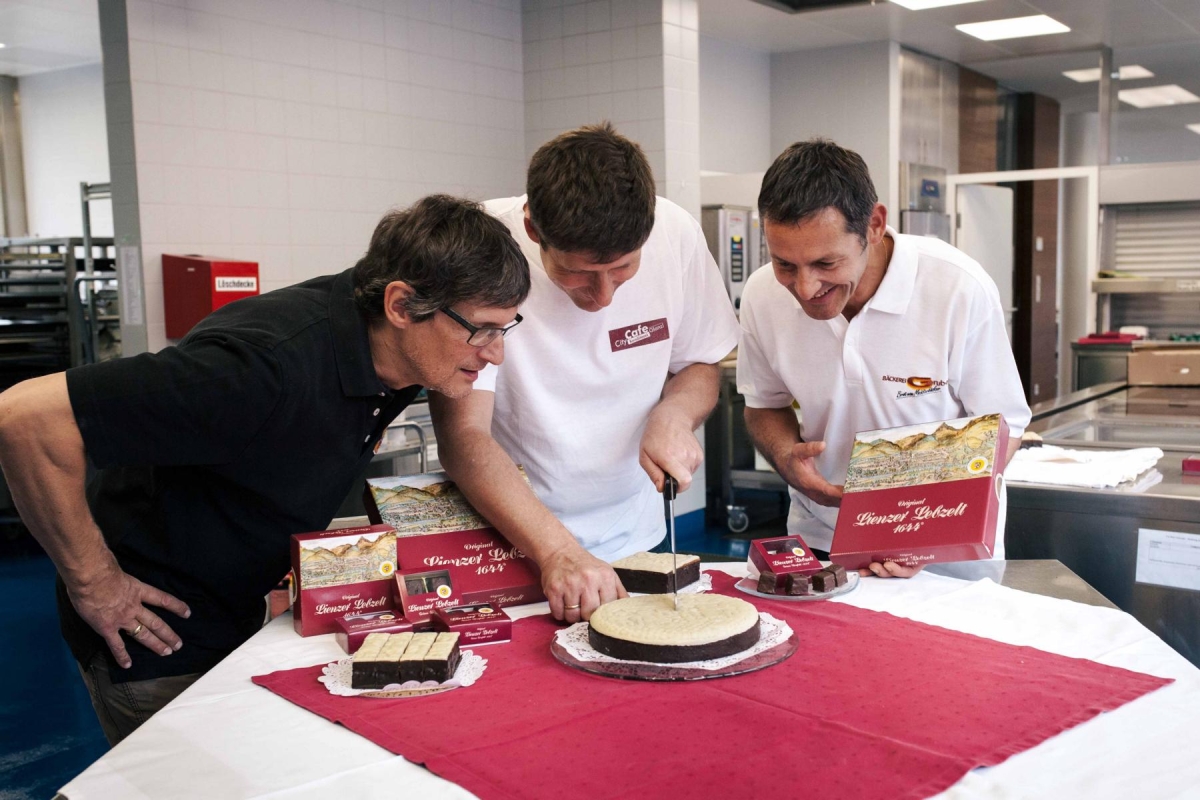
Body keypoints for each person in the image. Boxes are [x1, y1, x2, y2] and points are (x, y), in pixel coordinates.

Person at [0, 195, 529, 744]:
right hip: (157, 629)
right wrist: (94, 582)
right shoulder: (258, 369)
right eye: (482, 330)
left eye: (505, 329)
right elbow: (23, 419)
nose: (495, 354)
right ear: (400, 305)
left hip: (238, 605)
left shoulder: (392, 344)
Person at [431, 123, 740, 623]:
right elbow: (463, 436)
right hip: (513, 540)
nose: (603, 298)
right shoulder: (484, 244)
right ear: (533, 230)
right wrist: (557, 550)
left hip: (636, 534)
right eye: (578, 274)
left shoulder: (675, 232)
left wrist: (674, 414)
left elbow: (700, 363)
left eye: (623, 269)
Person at [737, 139, 1031, 578]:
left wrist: (918, 531)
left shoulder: (956, 287)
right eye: (785, 264)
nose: (804, 288)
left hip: (947, 549)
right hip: (822, 536)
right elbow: (764, 404)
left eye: (826, 263)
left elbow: (1004, 428)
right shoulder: (762, 295)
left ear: (874, 225)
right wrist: (787, 459)